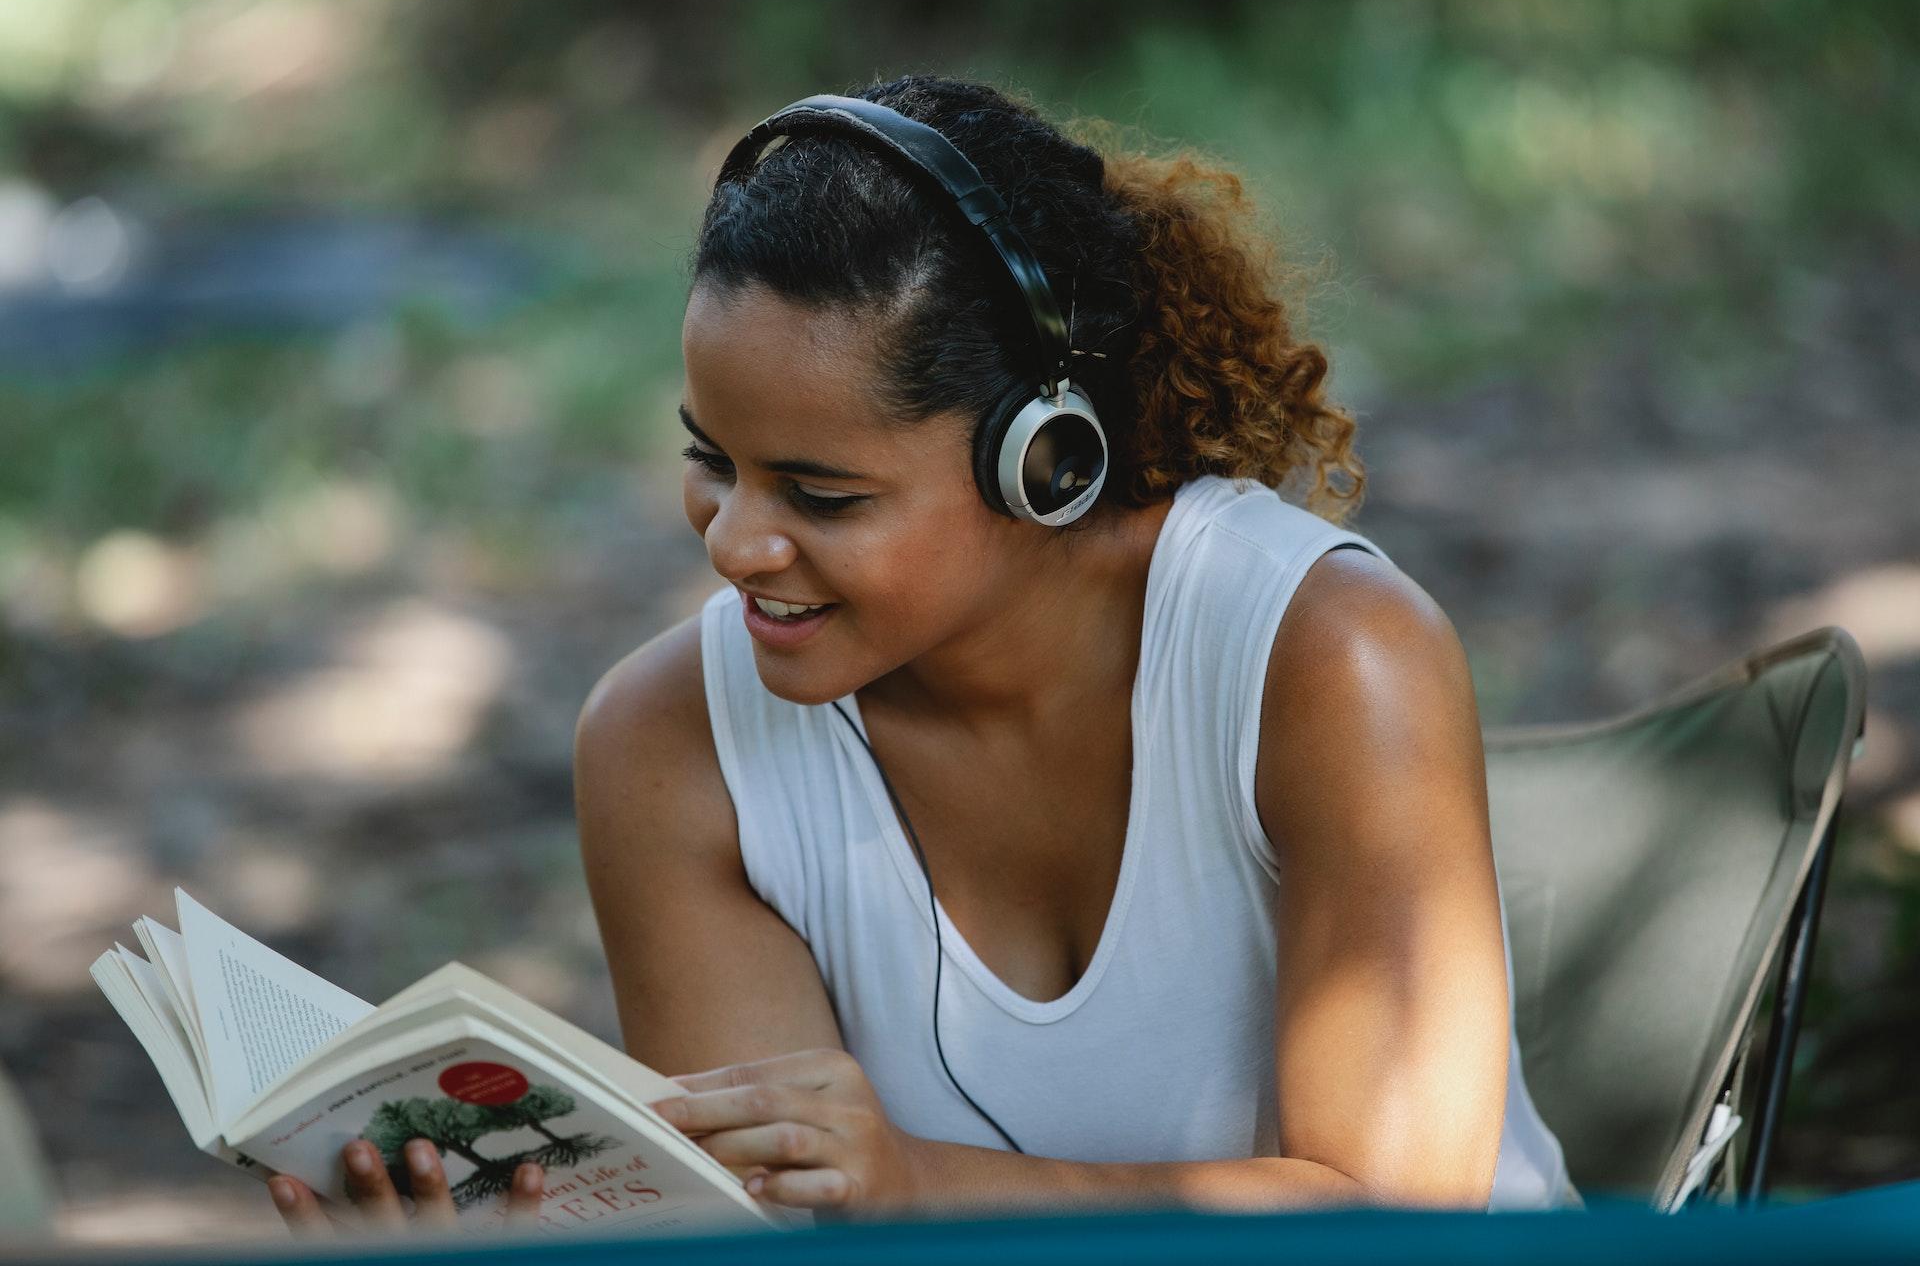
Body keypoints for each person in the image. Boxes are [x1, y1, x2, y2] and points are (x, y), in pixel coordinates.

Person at [271, 70, 1578, 1235]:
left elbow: (1392, 1224)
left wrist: (914, 1186)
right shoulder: (671, 747)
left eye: (820, 496)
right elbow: (772, 1231)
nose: (733, 544)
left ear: (1048, 466)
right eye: (708, 463)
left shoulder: (1328, 657)